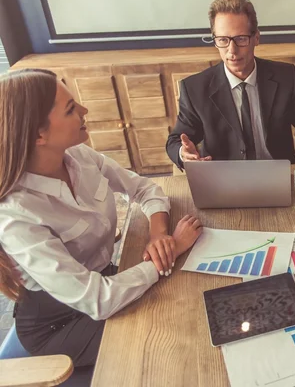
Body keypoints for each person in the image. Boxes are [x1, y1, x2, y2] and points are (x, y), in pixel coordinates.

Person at [0, 69, 203, 367]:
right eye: (71, 109)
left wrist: (159, 234)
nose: (84, 110)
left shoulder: (79, 156)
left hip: (105, 280)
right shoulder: (17, 216)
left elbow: (146, 189)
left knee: (185, 303)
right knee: (168, 341)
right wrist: (169, 251)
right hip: (60, 323)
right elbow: (99, 300)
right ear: (38, 134)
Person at [166, 0, 295, 169]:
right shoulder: (194, 89)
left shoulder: (285, 76)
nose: (232, 50)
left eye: (240, 39)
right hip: (224, 179)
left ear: (256, 38)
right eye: (223, 40)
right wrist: (183, 154)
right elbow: (175, 141)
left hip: (277, 174)